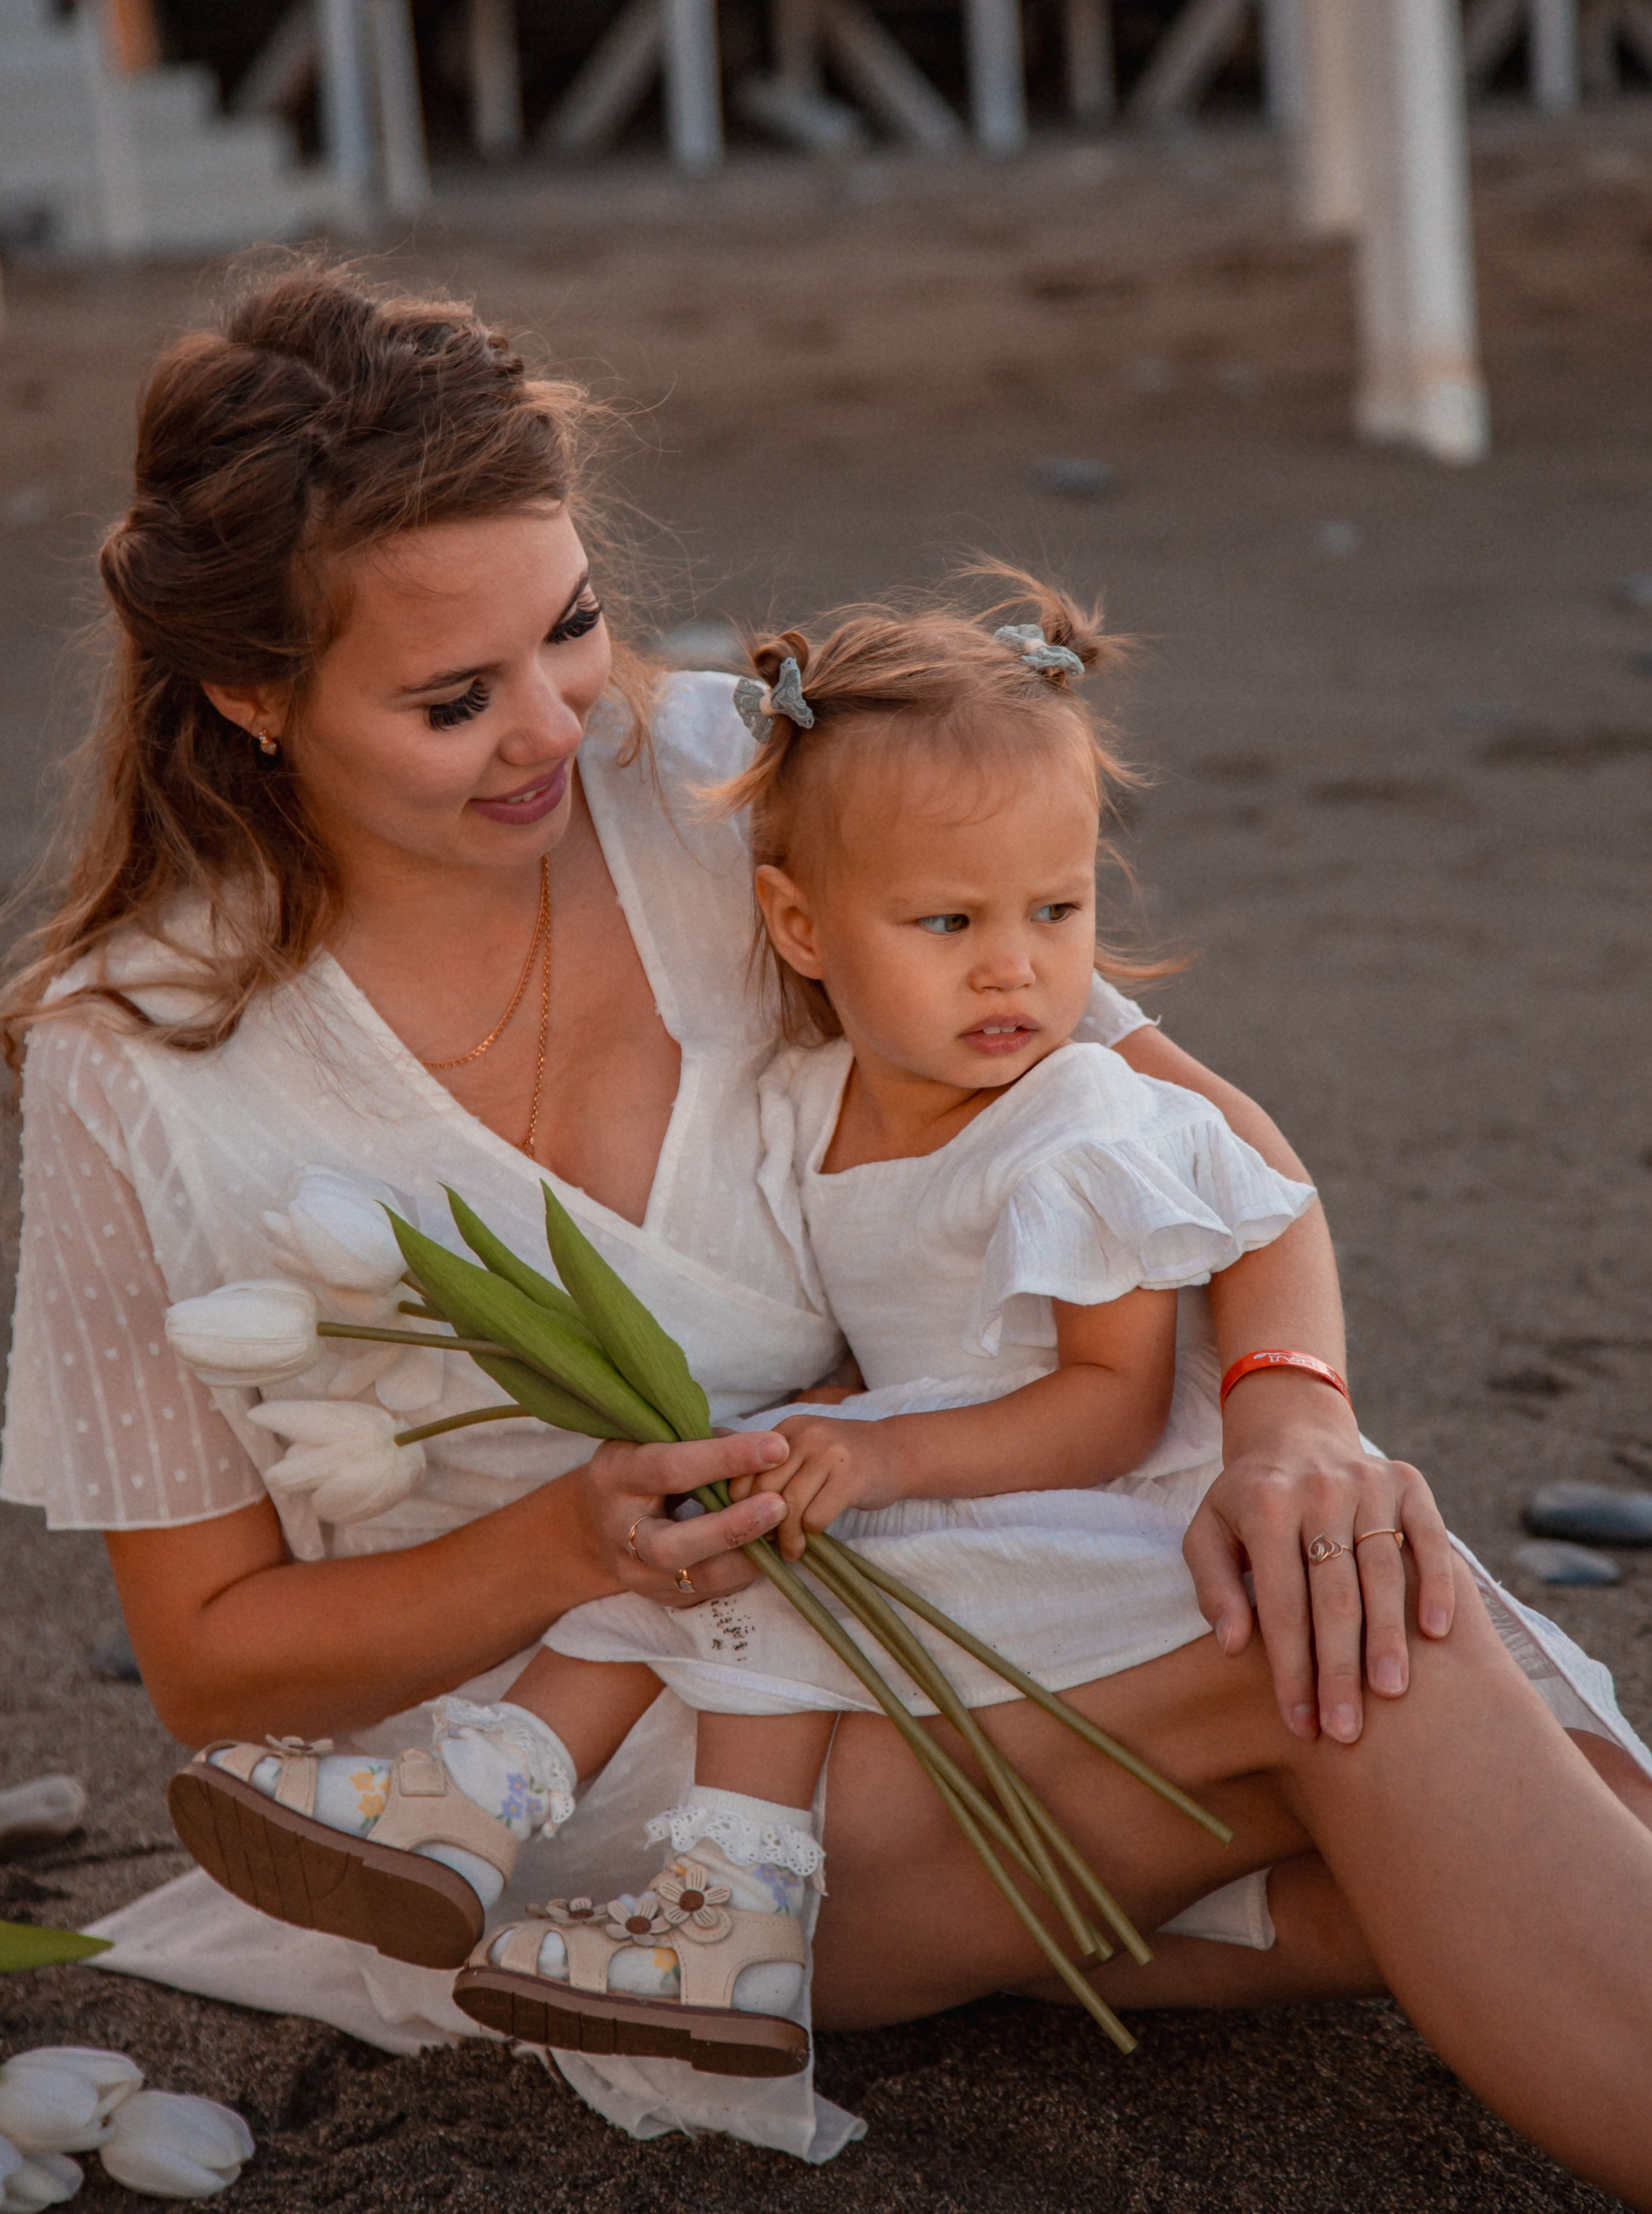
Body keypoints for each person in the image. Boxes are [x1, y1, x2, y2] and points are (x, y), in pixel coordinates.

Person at [1, 264, 1649, 2196]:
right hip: (603, 1798)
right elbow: (209, 1668)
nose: (551, 725)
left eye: (574, 629)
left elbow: (1193, 1140)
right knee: (1364, 1660)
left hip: (943, 1583)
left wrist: (1292, 1416)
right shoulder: (141, 1052)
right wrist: (567, 1535)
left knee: (1420, 1688)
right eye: (455, 700)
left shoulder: (732, 788)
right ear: (250, 695)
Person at [167, 583, 1322, 2088]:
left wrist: (877, 1440)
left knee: (755, 1567)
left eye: (1057, 911)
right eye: (948, 921)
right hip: (921, 1467)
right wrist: (834, 1412)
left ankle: (692, 1879)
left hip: (1084, 1520)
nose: (1015, 968)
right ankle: (500, 1804)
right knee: (697, 1527)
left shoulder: (1082, 1123)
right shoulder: (803, 1109)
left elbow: (1105, 1406)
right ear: (797, 923)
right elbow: (881, 1308)